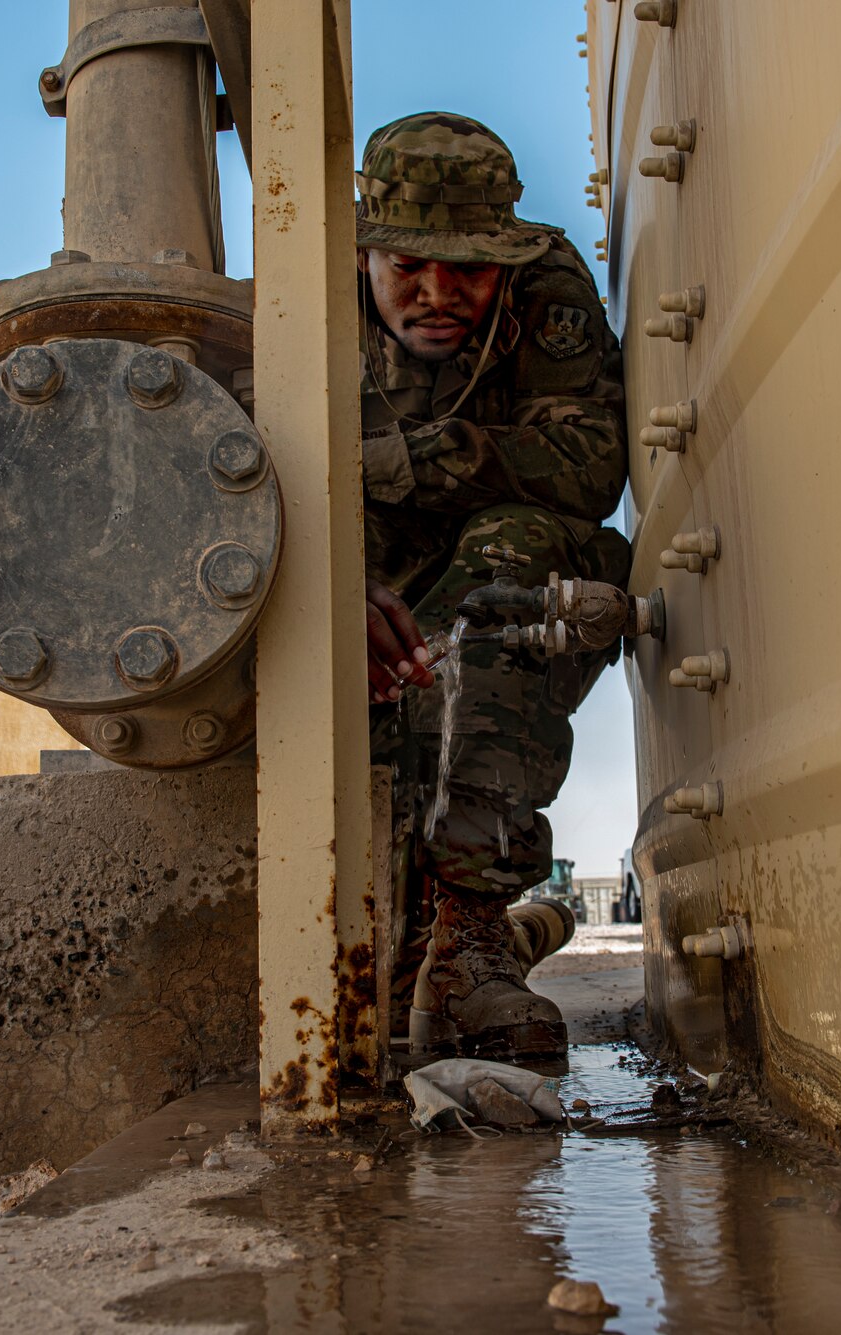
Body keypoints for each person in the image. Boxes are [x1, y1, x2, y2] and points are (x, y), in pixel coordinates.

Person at [353, 112, 629, 1058]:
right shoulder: (299, 307)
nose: (439, 295)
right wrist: (336, 583)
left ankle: (471, 943)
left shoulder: (546, 289)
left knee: (503, 569)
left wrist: (419, 460)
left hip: (510, 578)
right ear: (362, 255)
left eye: (468, 270)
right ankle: (436, 946)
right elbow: (259, 488)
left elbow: (589, 468)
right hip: (371, 585)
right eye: (408, 269)